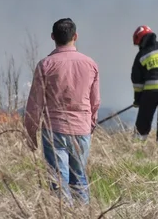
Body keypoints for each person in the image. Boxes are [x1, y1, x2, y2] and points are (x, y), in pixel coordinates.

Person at [24, 18, 100, 205]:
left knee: (58, 180)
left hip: (54, 129)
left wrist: (31, 133)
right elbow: (95, 102)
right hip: (81, 129)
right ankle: (83, 213)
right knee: (79, 176)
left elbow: (35, 104)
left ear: (52, 37)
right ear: (75, 36)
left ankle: (63, 213)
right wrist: (90, 125)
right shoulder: (90, 64)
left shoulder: (46, 65)